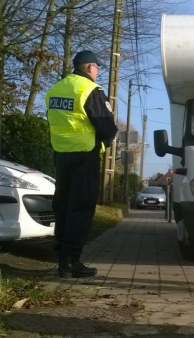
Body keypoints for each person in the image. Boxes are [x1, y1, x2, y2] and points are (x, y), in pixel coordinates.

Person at [46, 50, 118, 279]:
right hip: (85, 155)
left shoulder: (55, 89)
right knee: (82, 206)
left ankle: (61, 258)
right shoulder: (90, 90)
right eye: (97, 67)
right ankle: (71, 261)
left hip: (61, 155)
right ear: (89, 68)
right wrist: (107, 139)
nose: (98, 71)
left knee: (63, 206)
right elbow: (107, 126)